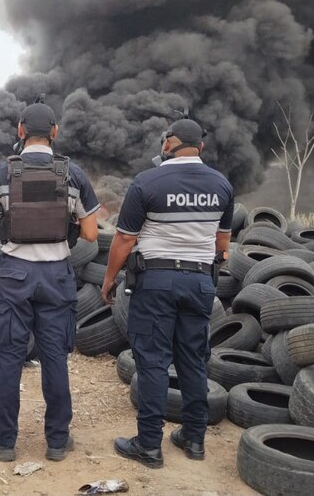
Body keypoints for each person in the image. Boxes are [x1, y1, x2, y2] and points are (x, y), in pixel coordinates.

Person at [101, 118, 233, 468]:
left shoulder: (147, 182)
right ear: (200, 147)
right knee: (192, 359)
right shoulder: (222, 185)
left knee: (154, 361)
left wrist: (109, 278)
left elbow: (125, 238)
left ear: (167, 144)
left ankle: (148, 446)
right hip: (200, 282)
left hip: (156, 281)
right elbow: (223, 242)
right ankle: (194, 439)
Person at [0, 99, 100, 462]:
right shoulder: (73, 175)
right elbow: (91, 234)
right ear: (55, 133)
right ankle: (57, 441)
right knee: (54, 357)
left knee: (10, 358)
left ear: (20, 131)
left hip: (13, 275)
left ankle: (5, 441)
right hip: (56, 276)